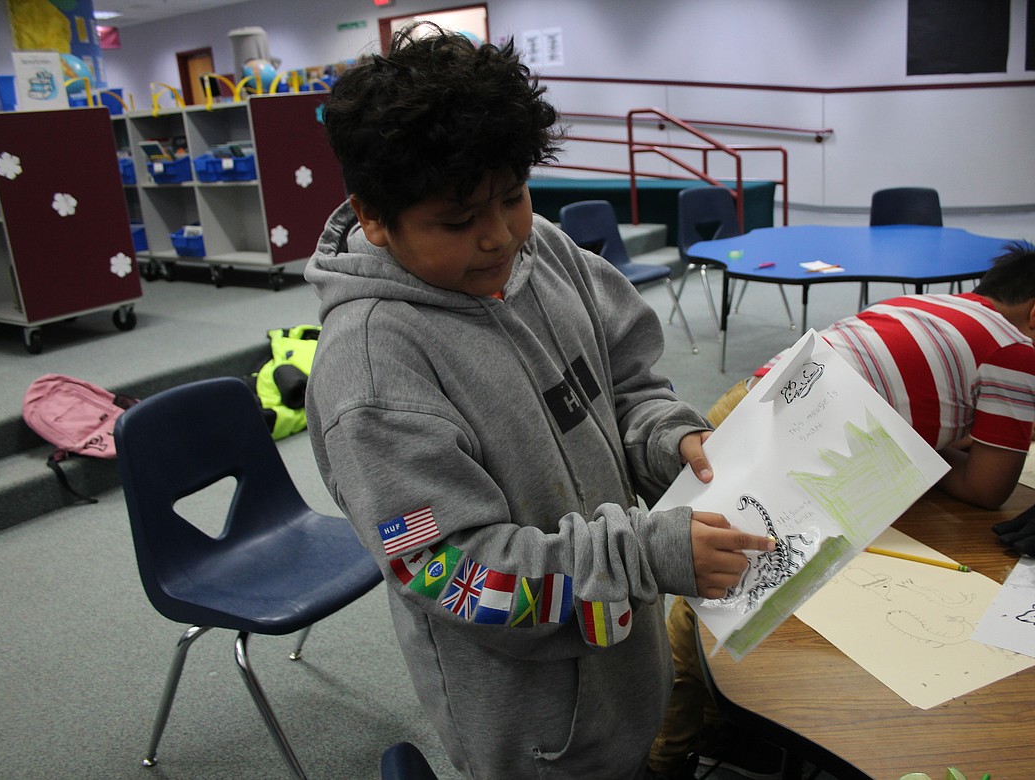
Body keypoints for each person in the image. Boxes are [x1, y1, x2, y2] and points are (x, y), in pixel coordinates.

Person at [304, 24, 775, 780]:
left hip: (625, 665)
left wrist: (668, 440)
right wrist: (646, 553)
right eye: (458, 222)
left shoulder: (543, 249)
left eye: (513, 198)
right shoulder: (372, 373)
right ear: (372, 217)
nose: (499, 238)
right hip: (538, 735)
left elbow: (623, 387)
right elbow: (451, 575)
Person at [648, 242, 1035, 780]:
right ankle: (662, 758)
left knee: (710, 592)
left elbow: (913, 399)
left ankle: (718, 730)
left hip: (747, 403)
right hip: (798, 446)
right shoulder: (1014, 348)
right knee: (713, 602)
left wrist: (978, 432)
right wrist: (982, 438)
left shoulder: (930, 307)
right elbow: (987, 490)